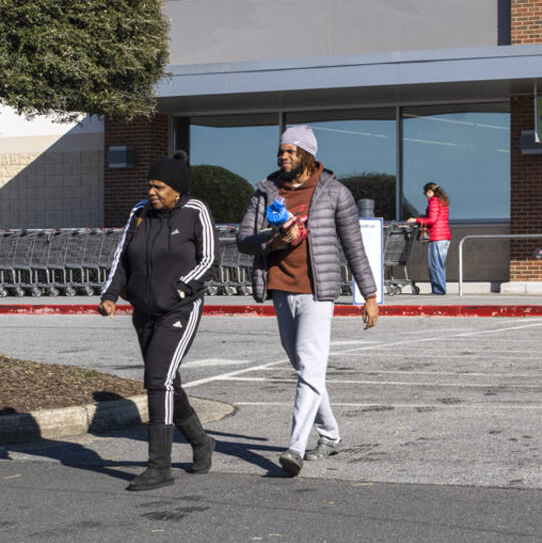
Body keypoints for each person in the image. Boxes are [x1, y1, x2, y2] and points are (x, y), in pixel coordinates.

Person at [238, 126, 380, 476]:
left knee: (310, 363)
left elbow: (354, 247)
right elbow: (243, 239)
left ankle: (295, 447)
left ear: (307, 154)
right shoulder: (267, 190)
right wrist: (272, 241)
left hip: (318, 290)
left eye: (290, 151)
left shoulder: (335, 192)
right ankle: (330, 434)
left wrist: (370, 295)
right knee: (305, 367)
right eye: (281, 151)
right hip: (280, 287)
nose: (283, 156)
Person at [97, 152, 216, 491]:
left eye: (159, 187)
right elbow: (122, 256)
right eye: (150, 185)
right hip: (144, 310)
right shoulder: (139, 212)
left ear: (176, 189)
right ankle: (201, 442)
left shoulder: (196, 211)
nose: (151, 192)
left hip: (180, 309)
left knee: (158, 378)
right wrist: (110, 294)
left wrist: (182, 287)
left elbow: (209, 258)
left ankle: (159, 467)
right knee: (166, 381)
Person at [409, 182, 451, 295]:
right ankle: (439, 289)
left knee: (435, 264)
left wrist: (416, 220)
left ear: (430, 192)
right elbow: (436, 217)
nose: (425, 196)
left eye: (425, 193)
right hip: (444, 236)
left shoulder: (434, 202)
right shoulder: (442, 201)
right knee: (439, 264)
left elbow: (432, 220)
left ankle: (438, 290)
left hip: (437, 237)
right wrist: (424, 217)